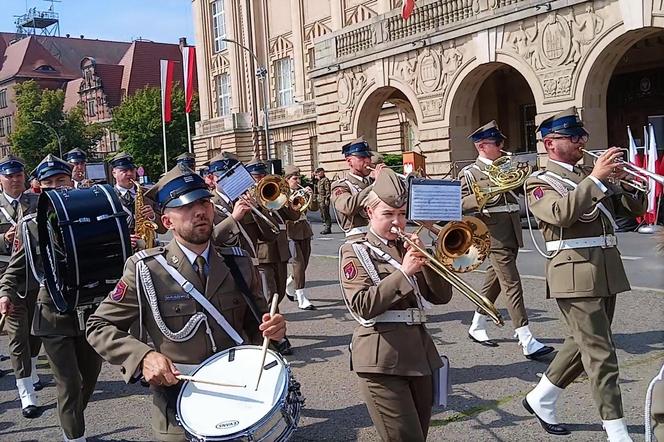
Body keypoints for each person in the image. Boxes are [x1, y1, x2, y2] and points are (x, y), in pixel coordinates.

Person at [86, 164, 286, 442]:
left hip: (237, 398)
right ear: (167, 222)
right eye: (186, 206)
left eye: (204, 201)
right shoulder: (146, 269)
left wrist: (274, 332)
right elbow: (98, 325)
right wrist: (143, 357)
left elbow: (257, 324)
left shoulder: (238, 262)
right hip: (177, 405)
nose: (200, 211)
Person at [523, 107, 646, 441]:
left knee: (582, 343)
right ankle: (617, 430)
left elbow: (634, 212)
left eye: (581, 135)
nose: (582, 141)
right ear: (550, 144)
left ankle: (541, 398)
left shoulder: (587, 176)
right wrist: (597, 179)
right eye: (573, 136)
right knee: (601, 352)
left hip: (604, 270)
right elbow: (560, 214)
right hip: (573, 273)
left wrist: (627, 185)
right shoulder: (539, 181)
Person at [339, 168, 453, 441]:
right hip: (381, 360)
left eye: (402, 214)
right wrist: (403, 273)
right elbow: (362, 305)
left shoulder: (408, 246)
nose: (397, 223)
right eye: (388, 214)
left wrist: (429, 263)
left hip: (420, 355)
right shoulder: (355, 250)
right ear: (369, 213)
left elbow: (441, 297)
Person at [0, 154, 103, 441]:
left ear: (72, 182)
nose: (56, 186)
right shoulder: (31, 224)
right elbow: (15, 268)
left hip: (89, 311)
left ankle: (70, 420)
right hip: (51, 315)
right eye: (48, 183)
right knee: (68, 383)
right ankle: (74, 436)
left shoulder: (90, 215)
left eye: (61, 180)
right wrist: (5, 292)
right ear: (39, 188)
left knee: (88, 379)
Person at [461, 121, 553, 360]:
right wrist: (484, 195)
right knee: (512, 283)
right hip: (493, 233)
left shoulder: (507, 167)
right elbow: (459, 203)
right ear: (482, 146)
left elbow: (522, 193)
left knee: (496, 280)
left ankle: (477, 325)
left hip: (512, 230)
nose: (503, 147)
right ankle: (526, 338)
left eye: (502, 142)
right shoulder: (470, 173)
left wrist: (527, 177)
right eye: (498, 143)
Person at [0, 154, 42, 418]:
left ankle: (33, 367)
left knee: (36, 332)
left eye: (18, 175)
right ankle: (27, 395)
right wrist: (3, 238)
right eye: (9, 176)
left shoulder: (36, 202)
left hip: (35, 275)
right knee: (17, 338)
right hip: (6, 277)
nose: (15, 180)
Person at [250, 158, 299, 355]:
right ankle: (277, 339)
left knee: (278, 292)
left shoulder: (273, 196)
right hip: (263, 253)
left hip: (280, 251)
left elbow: (293, 216)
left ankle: (269, 329)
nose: (261, 179)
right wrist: (256, 201)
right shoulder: (251, 200)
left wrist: (284, 199)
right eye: (257, 176)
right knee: (269, 295)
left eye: (263, 175)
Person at [204, 152, 278, 263]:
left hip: (252, 267)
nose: (229, 181)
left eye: (233, 176)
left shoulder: (245, 199)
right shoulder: (208, 205)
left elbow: (271, 235)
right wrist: (233, 219)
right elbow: (208, 240)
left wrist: (258, 209)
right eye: (223, 177)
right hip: (227, 271)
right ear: (212, 178)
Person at [330, 137, 385, 240]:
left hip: (379, 235)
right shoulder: (341, 185)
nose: (368, 161)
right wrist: (375, 185)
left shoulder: (372, 182)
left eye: (368, 157)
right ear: (349, 161)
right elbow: (347, 207)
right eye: (362, 158)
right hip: (358, 238)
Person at [109, 152, 164, 249]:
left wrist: (153, 216)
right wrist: (122, 238)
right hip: (122, 250)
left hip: (148, 249)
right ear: (114, 173)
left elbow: (163, 229)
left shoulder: (148, 194)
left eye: (132, 170)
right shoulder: (108, 197)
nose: (130, 174)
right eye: (124, 170)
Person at [284, 165, 316, 310]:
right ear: (287, 180)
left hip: (304, 229)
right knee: (298, 263)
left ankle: (290, 282)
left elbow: (314, 208)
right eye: (295, 178)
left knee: (304, 264)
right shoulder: (283, 195)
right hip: (291, 231)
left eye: (298, 178)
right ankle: (302, 298)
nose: (298, 181)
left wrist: (311, 194)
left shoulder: (302, 192)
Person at [315, 167, 332, 234]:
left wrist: (327, 199)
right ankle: (325, 225)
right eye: (318, 173)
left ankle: (327, 228)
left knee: (326, 214)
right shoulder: (319, 180)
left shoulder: (325, 180)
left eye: (320, 172)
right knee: (322, 214)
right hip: (320, 198)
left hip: (324, 198)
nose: (318, 174)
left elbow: (328, 190)